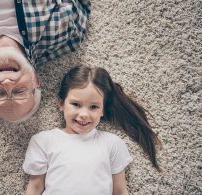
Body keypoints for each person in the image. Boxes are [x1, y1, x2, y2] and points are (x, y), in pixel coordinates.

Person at [23, 65, 161, 195]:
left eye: (94, 107)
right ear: (61, 104)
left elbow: (120, 191)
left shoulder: (112, 144)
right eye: (76, 104)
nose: (84, 114)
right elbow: (35, 187)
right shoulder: (43, 141)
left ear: (103, 110)